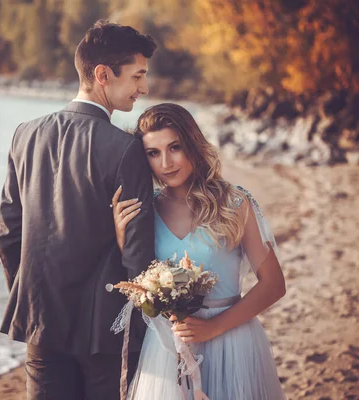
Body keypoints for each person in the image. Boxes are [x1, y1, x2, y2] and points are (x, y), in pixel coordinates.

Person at [0, 20, 158, 400]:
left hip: (39, 321)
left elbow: (8, 232)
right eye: (137, 76)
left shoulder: (25, 133)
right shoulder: (125, 149)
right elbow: (137, 253)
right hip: (103, 331)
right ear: (103, 74)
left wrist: (30, 299)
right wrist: (141, 334)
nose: (144, 88)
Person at [111, 103, 287, 399]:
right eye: (153, 153)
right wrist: (120, 237)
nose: (165, 162)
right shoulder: (146, 210)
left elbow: (274, 284)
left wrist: (213, 327)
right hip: (168, 348)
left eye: (175, 147)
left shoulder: (234, 203)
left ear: (192, 144)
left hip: (232, 341)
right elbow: (133, 284)